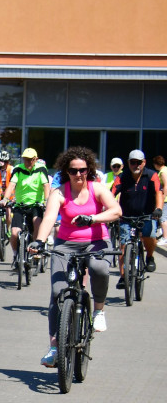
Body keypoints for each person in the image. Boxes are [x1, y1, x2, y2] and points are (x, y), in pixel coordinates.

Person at [29, 147, 121, 367]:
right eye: (73, 170)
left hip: (96, 243)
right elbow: (50, 217)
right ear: (65, 171)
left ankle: (98, 311)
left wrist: (92, 219)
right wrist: (40, 241)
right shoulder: (59, 192)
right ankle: (54, 347)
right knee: (57, 292)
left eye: (83, 170)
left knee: (99, 269)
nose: (78, 174)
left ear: (88, 170)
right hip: (66, 245)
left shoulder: (97, 188)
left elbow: (116, 211)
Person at [112, 149, 163, 278]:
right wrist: (109, 209)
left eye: (139, 162)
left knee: (149, 236)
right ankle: (123, 278)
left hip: (147, 214)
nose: (136, 165)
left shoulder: (151, 175)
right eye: (133, 162)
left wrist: (158, 209)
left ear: (144, 162)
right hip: (127, 216)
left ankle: (150, 257)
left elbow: (158, 192)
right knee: (123, 245)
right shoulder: (122, 177)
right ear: (129, 163)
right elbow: (111, 194)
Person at [2, 147, 51, 261]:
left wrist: (47, 200)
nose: (27, 162)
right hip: (21, 205)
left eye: (30, 160)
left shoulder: (41, 169)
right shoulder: (18, 169)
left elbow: (45, 185)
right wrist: (5, 199)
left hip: (36, 204)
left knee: (37, 222)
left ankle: (35, 248)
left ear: (36, 159)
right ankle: (15, 255)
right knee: (14, 233)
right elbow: (12, 184)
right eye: (25, 159)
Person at [151, 155, 167, 246]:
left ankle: (165, 237)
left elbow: (166, 185)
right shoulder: (165, 170)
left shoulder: (163, 172)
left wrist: (163, 197)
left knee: (163, 218)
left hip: (165, 198)